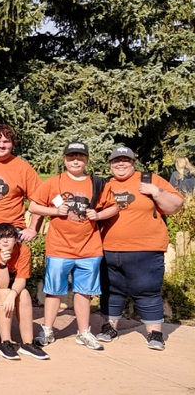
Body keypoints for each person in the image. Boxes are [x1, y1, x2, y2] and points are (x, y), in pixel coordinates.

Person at [28, 142, 119, 351]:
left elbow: (113, 207)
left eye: (80, 157)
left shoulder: (97, 183)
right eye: (71, 157)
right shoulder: (54, 183)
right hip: (59, 247)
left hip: (89, 248)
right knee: (54, 291)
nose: (75, 161)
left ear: (86, 160)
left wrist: (98, 215)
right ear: (64, 159)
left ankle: (83, 332)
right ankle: (48, 331)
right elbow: (34, 206)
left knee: (84, 292)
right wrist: (55, 212)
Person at [97, 146, 184, 350]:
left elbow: (175, 205)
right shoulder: (105, 184)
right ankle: (110, 328)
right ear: (110, 164)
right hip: (109, 249)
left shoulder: (148, 179)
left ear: (133, 162)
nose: (120, 163)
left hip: (145, 249)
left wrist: (156, 191)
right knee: (111, 291)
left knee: (147, 291)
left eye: (125, 160)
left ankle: (155, 334)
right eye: (115, 160)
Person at [0, 223, 48, 360]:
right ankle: (5, 343)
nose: (5, 241)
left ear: (16, 239)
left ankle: (27, 343)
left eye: (9, 237)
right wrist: (3, 263)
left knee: (24, 294)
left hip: (12, 286)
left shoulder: (23, 250)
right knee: (4, 293)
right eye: (1, 237)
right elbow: (2, 284)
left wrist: (13, 293)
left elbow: (21, 279)